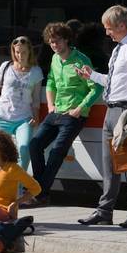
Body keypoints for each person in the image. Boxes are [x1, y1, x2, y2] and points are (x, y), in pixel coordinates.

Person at [76, 5, 127, 229]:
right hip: (111, 110)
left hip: (125, 112)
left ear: (121, 25)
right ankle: (104, 212)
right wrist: (92, 75)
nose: (107, 32)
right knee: (109, 166)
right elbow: (115, 82)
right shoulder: (120, 49)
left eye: (109, 28)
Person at [27, 21, 101, 205]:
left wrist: (80, 109)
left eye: (57, 41)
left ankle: (39, 194)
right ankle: (41, 193)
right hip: (56, 111)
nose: (54, 45)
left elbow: (96, 87)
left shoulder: (81, 60)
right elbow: (51, 81)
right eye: (51, 42)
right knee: (34, 145)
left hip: (74, 115)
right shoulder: (54, 59)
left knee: (57, 152)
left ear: (67, 40)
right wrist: (51, 105)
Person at [0, 36, 43, 177]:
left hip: (24, 118)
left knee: (24, 148)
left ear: (29, 52)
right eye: (17, 52)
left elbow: (36, 100)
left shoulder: (36, 72)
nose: (20, 56)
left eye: (23, 52)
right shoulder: (6, 66)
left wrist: (36, 116)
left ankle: (18, 181)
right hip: (2, 116)